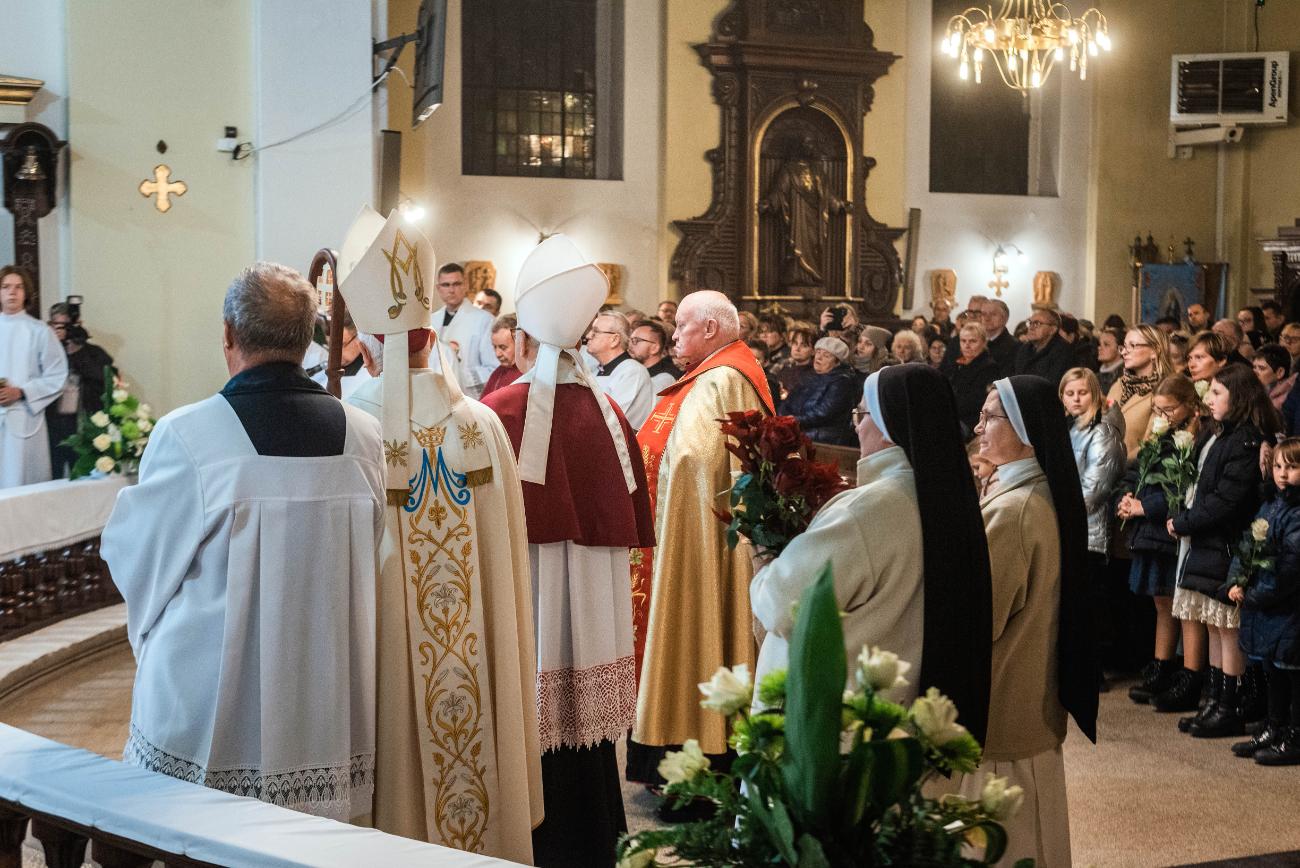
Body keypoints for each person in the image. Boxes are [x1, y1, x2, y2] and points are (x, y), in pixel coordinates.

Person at [102, 262, 385, 820]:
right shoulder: (363, 435)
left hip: (209, 701)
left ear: (228, 334)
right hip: (323, 697)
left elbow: (138, 558)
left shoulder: (189, 434)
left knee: (196, 833)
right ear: (309, 339)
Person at [338, 210, 541, 860]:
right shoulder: (482, 426)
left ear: (369, 341)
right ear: (436, 334)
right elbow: (508, 574)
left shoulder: (349, 429)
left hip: (389, 673)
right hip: (477, 678)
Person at [482, 235, 653, 867]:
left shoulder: (498, 411)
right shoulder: (608, 411)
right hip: (593, 589)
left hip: (530, 582)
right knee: (584, 725)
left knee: (536, 699)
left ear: (523, 340)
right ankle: (596, 830)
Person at [751, 365, 992, 744]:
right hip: (898, 711)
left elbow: (782, 608)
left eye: (861, 415)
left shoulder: (867, 510)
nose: (855, 427)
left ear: (888, 424)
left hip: (835, 724)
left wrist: (765, 562)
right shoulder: (946, 500)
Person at [629, 290, 775, 783]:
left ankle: (693, 758)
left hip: (699, 541)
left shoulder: (718, 380)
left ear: (711, 330)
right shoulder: (730, 374)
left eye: (682, 326)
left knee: (695, 624)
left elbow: (691, 462)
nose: (674, 335)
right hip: (718, 534)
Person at [967, 376, 1096, 867]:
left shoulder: (1015, 511)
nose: (979, 426)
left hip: (1005, 703)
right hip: (1028, 703)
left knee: (1008, 841)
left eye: (992, 417)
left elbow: (983, 617)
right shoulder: (1028, 491)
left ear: (1025, 428)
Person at [1164, 365, 1278, 736]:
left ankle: (1229, 705)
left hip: (1228, 543)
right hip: (1210, 542)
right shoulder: (1221, 434)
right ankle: (1216, 700)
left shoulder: (1245, 441)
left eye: (1216, 393)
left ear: (1238, 399)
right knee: (1213, 623)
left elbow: (1227, 500)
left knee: (1227, 627)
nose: (1208, 399)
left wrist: (1186, 522)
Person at [1118, 376, 1203, 705]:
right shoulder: (1157, 435)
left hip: (1166, 527)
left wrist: (1145, 506)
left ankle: (1181, 671)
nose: (1161, 415)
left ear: (1188, 407)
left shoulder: (1190, 441)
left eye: (1168, 409)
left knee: (1176, 603)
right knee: (1160, 602)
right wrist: (1126, 497)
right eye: (1157, 408)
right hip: (1147, 527)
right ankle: (1160, 666)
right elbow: (1135, 470)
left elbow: (1182, 491)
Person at [1229, 437, 1300, 764]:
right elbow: (1248, 545)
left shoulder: (1296, 513)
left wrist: (1255, 594)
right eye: (1278, 467)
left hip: (1288, 607)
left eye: (1293, 467)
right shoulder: (1270, 504)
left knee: (1291, 671)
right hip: (1267, 607)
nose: (1283, 474)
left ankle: (1295, 736)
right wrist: (1236, 580)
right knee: (1272, 669)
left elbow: (1289, 567)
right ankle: (1275, 727)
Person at [1061, 368, 1126, 689]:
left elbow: (1095, 487)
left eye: (1082, 393)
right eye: (1069, 393)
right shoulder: (1068, 427)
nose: (1075, 399)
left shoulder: (1102, 432)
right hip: (1068, 527)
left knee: (1089, 606)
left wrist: (1061, 515)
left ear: (1096, 395)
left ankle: (1092, 671)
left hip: (1090, 531)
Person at [0, 265, 67, 489]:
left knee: (19, 482)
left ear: (26, 293)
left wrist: (21, 392)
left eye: (18, 287)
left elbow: (57, 375)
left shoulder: (39, 331)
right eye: (6, 286)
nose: (12, 292)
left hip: (24, 418)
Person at [46, 301, 116, 478]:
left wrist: (77, 349)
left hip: (86, 428)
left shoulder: (94, 353)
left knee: (86, 480)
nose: (65, 331)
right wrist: (57, 346)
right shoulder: (46, 354)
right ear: (50, 326)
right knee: (52, 478)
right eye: (59, 326)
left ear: (79, 325)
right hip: (54, 427)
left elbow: (105, 379)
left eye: (69, 326)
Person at [1108, 324, 1172, 462]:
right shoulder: (1118, 385)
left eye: (1132, 345)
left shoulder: (1164, 391)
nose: (1124, 352)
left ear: (1155, 350)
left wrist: (1119, 464)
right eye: (1124, 346)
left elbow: (1152, 442)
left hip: (1132, 474)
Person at [431, 263, 497, 397]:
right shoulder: (431, 321)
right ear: (438, 288)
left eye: (456, 284)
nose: (451, 290)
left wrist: (458, 375)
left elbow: (493, 367)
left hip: (467, 395)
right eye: (446, 285)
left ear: (465, 285)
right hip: (435, 394)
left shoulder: (484, 320)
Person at [781, 336, 858, 446]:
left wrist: (793, 420)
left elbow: (823, 413)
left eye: (826, 356)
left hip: (823, 437)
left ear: (837, 362)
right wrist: (782, 417)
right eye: (818, 353)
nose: (819, 358)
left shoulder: (842, 382)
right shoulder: (808, 376)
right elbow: (788, 401)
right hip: (798, 430)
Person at [588, 310, 655, 430]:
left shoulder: (633, 372)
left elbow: (612, 420)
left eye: (595, 332)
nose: (588, 336)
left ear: (614, 340)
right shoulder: (594, 369)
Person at [948, 322, 1000, 441]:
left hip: (972, 421)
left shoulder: (989, 367)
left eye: (972, 341)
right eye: (963, 341)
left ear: (983, 342)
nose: (967, 345)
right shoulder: (958, 364)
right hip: (954, 415)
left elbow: (978, 401)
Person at [1013, 308, 1075, 385]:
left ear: (1052, 329)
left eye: (1037, 323)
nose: (1031, 328)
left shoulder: (1063, 351)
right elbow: (1016, 378)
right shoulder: (1024, 349)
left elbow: (1051, 384)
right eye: (1030, 323)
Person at [629, 319, 680, 392]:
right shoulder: (631, 368)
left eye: (636, 340)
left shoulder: (667, 378)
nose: (630, 345)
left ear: (655, 348)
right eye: (630, 340)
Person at [483, 313, 523, 397]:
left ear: (520, 343)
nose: (497, 354)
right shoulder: (498, 372)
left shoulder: (528, 375)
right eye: (494, 347)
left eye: (503, 347)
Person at [979, 299, 1020, 377]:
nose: (987, 318)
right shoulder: (974, 342)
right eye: (984, 314)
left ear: (1005, 318)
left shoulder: (1015, 347)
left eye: (993, 314)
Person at [776, 324, 815, 402]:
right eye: (795, 343)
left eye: (804, 345)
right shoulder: (784, 369)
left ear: (813, 351)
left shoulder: (814, 374)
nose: (797, 348)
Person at [1254, 343, 1296, 413]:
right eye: (1254, 367)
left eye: (1261, 368)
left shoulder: (1284, 403)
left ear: (1280, 372)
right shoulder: (1262, 392)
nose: (1254, 372)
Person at [1096, 326, 1125, 396]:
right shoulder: (1094, 377)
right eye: (1099, 344)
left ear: (1120, 349)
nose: (1099, 348)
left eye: (1106, 345)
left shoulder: (1126, 377)